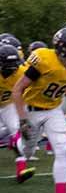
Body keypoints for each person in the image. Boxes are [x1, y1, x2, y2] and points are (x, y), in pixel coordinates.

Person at [12, 28, 66, 193]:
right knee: (27, 151)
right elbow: (17, 89)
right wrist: (22, 119)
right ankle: (17, 143)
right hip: (31, 109)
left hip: (54, 110)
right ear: (60, 46)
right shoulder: (44, 60)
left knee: (62, 150)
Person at [0, 44, 36, 183]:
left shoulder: (21, 71)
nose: (12, 69)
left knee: (16, 130)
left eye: (13, 65)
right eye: (7, 66)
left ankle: (21, 170)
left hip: (8, 105)